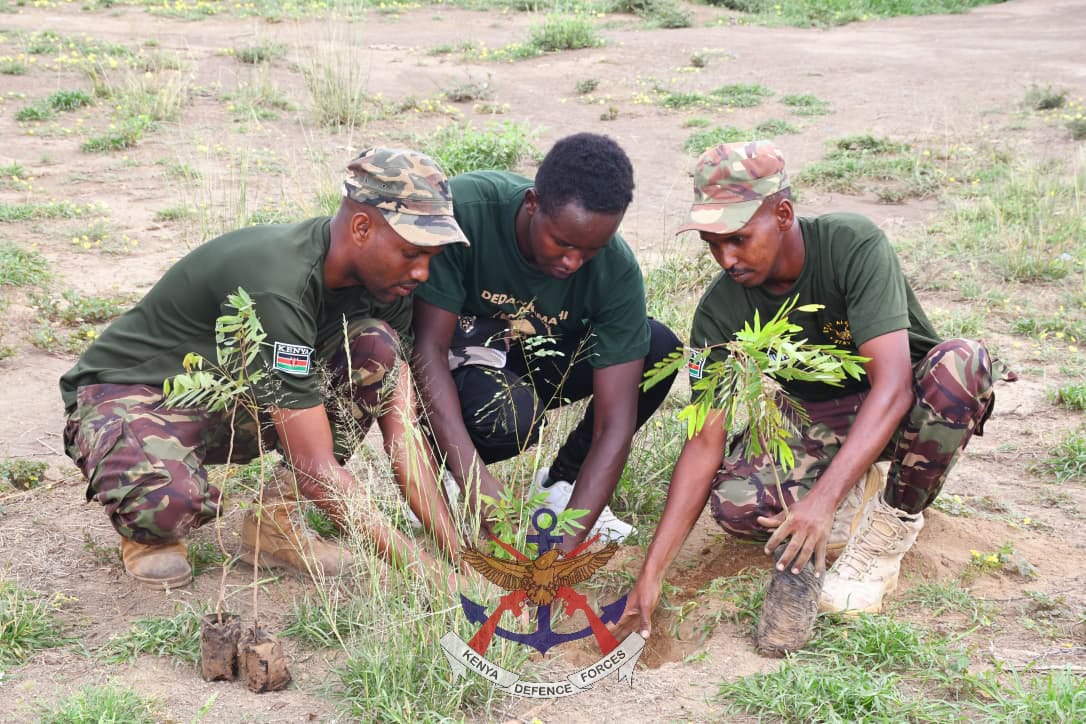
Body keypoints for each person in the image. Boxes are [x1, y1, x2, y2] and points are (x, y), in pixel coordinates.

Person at [614, 140, 1009, 639]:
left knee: (962, 364)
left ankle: (887, 530)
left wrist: (821, 500)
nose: (725, 258)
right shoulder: (718, 312)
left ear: (782, 213)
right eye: (713, 243)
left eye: (737, 238)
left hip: (909, 404)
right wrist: (651, 576)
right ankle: (855, 487)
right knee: (738, 508)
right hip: (819, 417)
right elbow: (703, 441)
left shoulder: (851, 244)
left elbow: (891, 388)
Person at [61, 147, 469, 590]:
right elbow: (315, 466)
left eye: (431, 256)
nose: (423, 272)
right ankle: (146, 525)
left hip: (231, 394)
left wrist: (461, 560)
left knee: (377, 350)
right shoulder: (281, 285)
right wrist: (431, 577)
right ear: (362, 227)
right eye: (412, 252)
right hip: (133, 393)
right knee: (167, 506)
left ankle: (274, 527)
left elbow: (404, 441)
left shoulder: (388, 287)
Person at [412, 133, 681, 550]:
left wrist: (568, 545)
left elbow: (615, 423)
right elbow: (426, 350)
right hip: (459, 360)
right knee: (507, 416)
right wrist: (476, 481)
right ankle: (442, 472)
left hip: (534, 358)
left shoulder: (615, 269)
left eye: (592, 249)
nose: (574, 262)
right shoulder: (466, 212)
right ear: (532, 203)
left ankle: (561, 488)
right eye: (563, 243)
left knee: (658, 347)